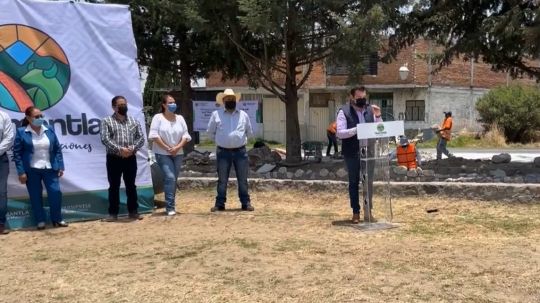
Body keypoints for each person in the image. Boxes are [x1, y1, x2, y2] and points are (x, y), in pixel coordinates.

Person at [13, 106, 66, 230]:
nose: (40, 118)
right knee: (35, 195)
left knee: (55, 193)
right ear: (28, 118)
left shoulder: (49, 129)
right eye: (37, 117)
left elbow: (57, 149)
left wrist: (61, 166)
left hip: (50, 168)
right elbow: (17, 153)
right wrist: (21, 172)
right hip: (31, 170)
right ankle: (40, 221)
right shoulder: (21, 132)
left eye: (41, 116)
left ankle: (57, 219)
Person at [336, 86, 382, 224]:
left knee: (368, 182)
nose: (362, 100)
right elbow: (339, 132)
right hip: (352, 152)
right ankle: (355, 212)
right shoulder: (343, 111)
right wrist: (357, 130)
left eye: (364, 97)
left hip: (369, 151)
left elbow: (379, 129)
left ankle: (368, 212)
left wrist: (378, 116)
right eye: (359, 98)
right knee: (354, 182)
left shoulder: (370, 110)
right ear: (352, 98)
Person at [207, 88, 254, 212]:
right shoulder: (216, 115)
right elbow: (210, 133)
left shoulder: (243, 115)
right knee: (222, 180)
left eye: (232, 99)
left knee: (243, 180)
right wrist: (222, 141)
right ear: (223, 101)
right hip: (223, 152)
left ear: (236, 100)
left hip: (240, 152)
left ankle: (245, 203)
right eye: (228, 99)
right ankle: (220, 204)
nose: (230, 101)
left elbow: (249, 132)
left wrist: (239, 141)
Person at [100, 96, 145, 221]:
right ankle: (113, 214)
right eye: (120, 105)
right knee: (114, 186)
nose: (123, 106)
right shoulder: (107, 121)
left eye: (124, 104)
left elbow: (141, 138)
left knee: (131, 185)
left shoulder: (134, 121)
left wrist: (131, 149)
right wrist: (120, 149)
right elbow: (105, 139)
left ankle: (133, 211)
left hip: (130, 157)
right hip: (114, 158)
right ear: (114, 107)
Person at [148, 94, 191, 216]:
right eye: (170, 103)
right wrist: (167, 148)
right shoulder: (158, 118)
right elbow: (154, 135)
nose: (173, 105)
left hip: (178, 153)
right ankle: (170, 207)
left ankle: (171, 204)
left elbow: (185, 135)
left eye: (174, 102)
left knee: (173, 180)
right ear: (164, 105)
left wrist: (177, 147)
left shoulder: (180, 118)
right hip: (162, 153)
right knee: (170, 177)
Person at [0, 110, 14, 234]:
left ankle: (0, 223)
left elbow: (9, 138)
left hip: (0, 158)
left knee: (1, 192)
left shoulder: (3, 116)